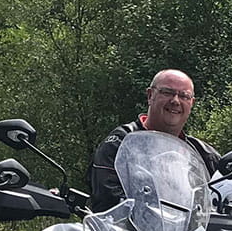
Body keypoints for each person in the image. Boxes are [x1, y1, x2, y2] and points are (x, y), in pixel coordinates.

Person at [88, 69, 219, 211]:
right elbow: (106, 197)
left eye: (184, 96)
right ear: (150, 95)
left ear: (192, 103)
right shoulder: (120, 142)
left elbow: (226, 197)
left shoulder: (204, 155)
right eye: (167, 92)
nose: (175, 101)